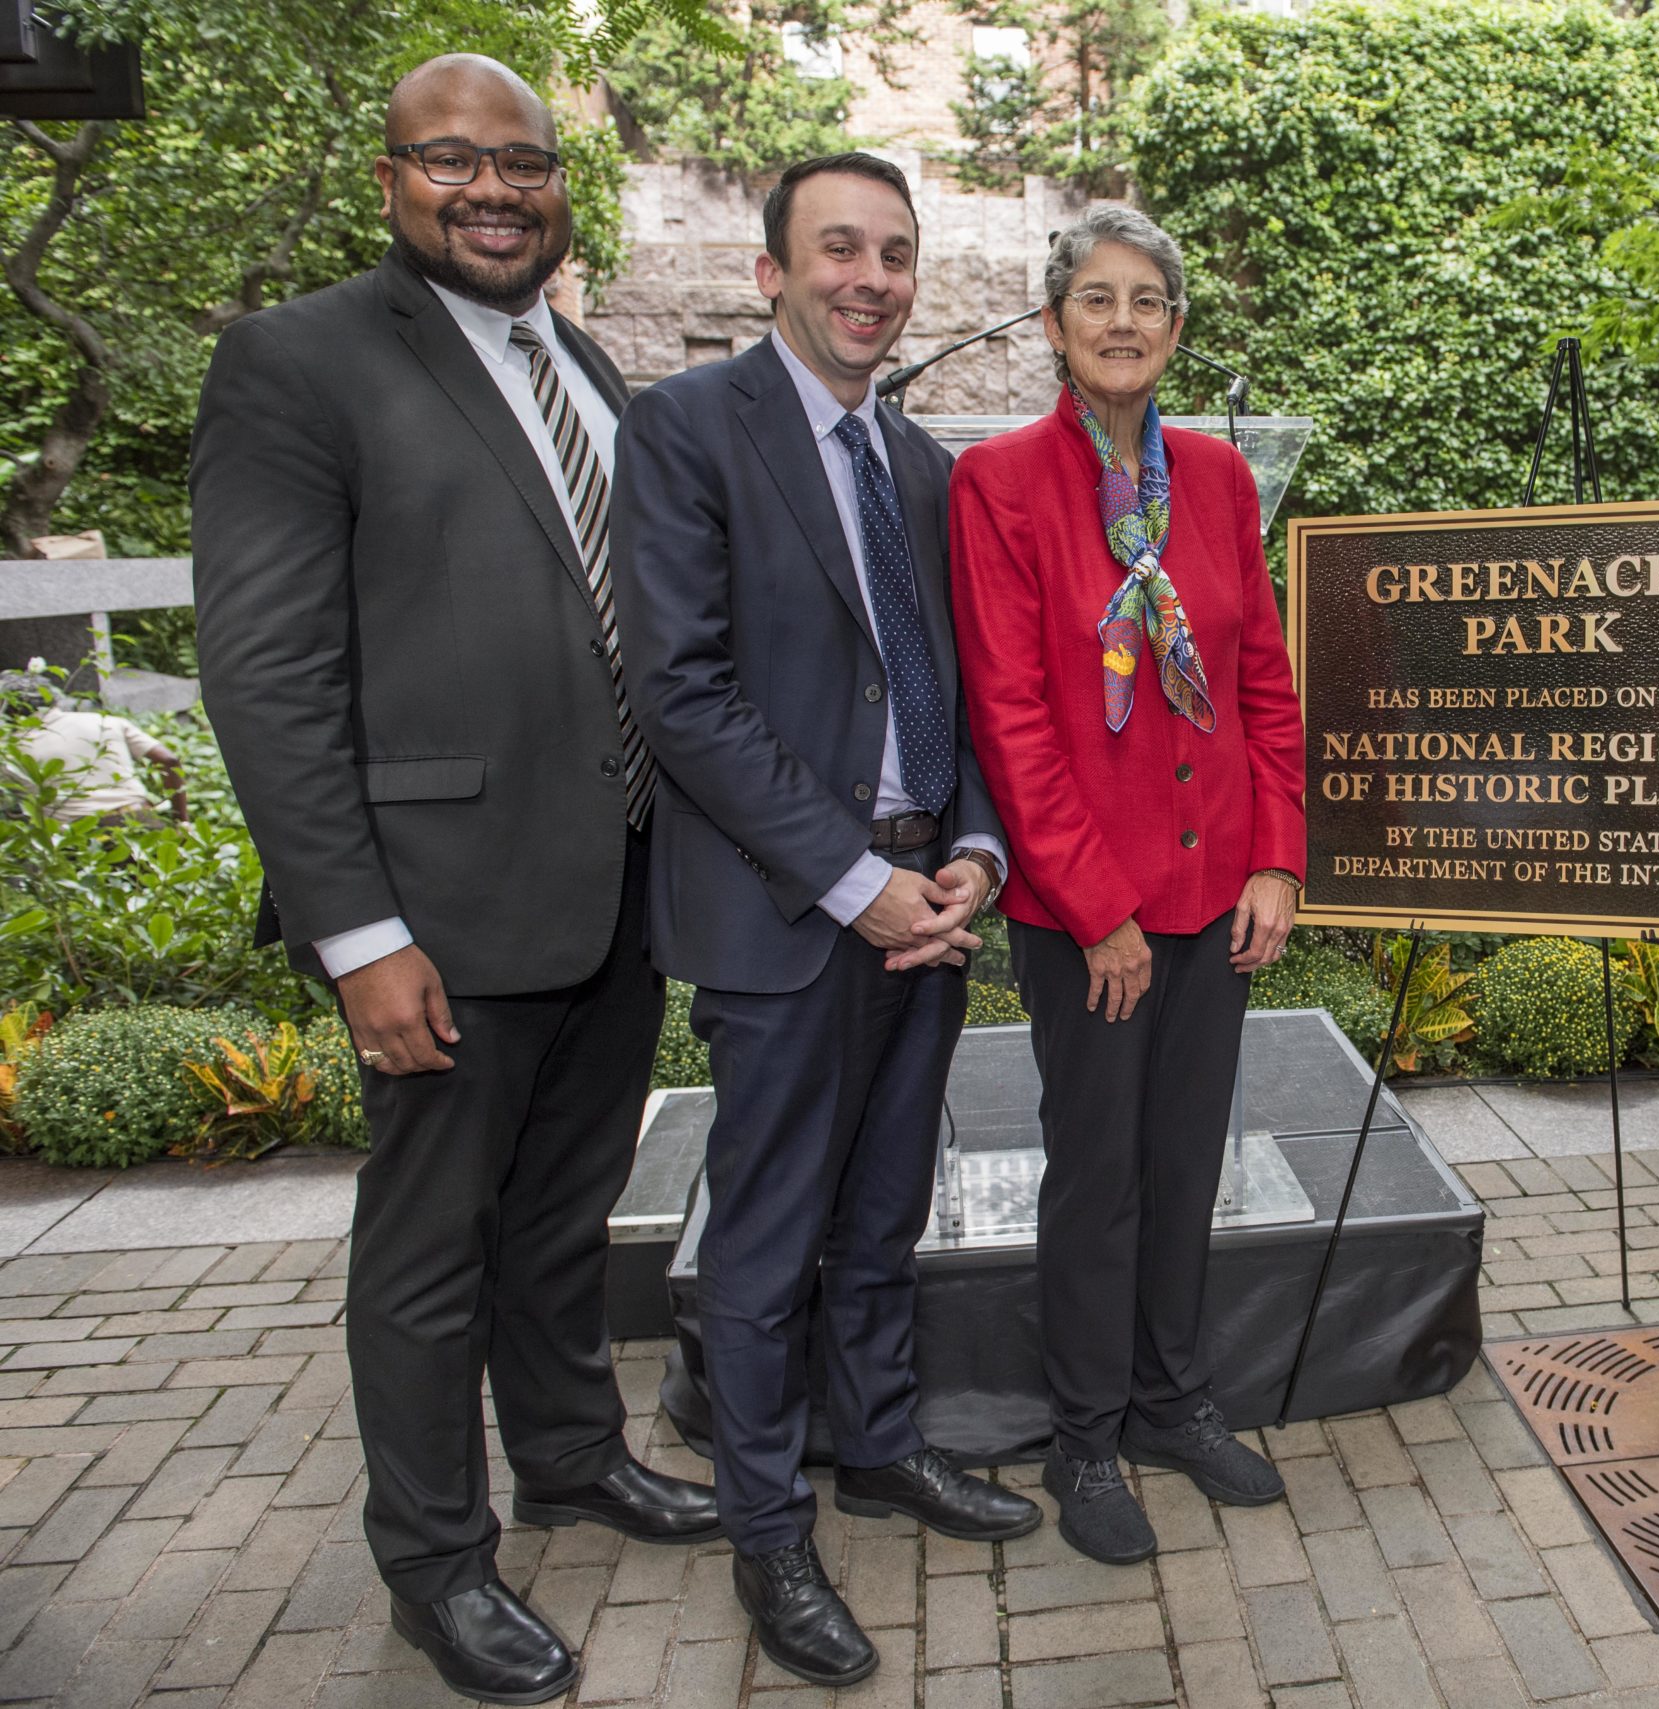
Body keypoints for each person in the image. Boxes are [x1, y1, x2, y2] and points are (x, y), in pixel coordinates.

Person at [189, 54, 717, 1707]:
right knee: (427, 1251)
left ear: (561, 186)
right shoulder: (299, 364)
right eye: (452, 161)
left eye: (523, 163)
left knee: (561, 1212)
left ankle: (569, 1454)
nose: (493, 189)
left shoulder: (589, 364)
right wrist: (359, 930)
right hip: (437, 906)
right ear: (390, 179)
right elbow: (269, 673)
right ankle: (437, 1557)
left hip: (615, 886)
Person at [611, 150, 1038, 1688]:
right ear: (769, 272)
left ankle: (876, 1445)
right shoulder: (679, 431)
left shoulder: (920, 462)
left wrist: (974, 850)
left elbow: (962, 681)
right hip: (790, 910)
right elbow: (685, 694)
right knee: (770, 1232)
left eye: (896, 254)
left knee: (882, 1212)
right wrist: (859, 887)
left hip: (926, 890)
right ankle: (768, 1527)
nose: (872, 279)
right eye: (840, 249)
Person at [948, 207, 1307, 1566]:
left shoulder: (1214, 481)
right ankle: (1085, 1436)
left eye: (1147, 300)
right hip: (1081, 909)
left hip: (1214, 890)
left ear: (1173, 331)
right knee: (1097, 1176)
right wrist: (1094, 907)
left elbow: (1260, 679)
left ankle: (1172, 1400)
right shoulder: (998, 482)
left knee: (1185, 1160)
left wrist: (1276, 853)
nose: (1123, 321)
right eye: (1094, 298)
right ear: (1053, 326)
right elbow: (1012, 714)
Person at [0, 668, 187, 826]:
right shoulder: (104, 721)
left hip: (79, 838)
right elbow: (169, 760)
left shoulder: (9, 749)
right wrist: (181, 823)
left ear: (9, 708)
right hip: (141, 822)